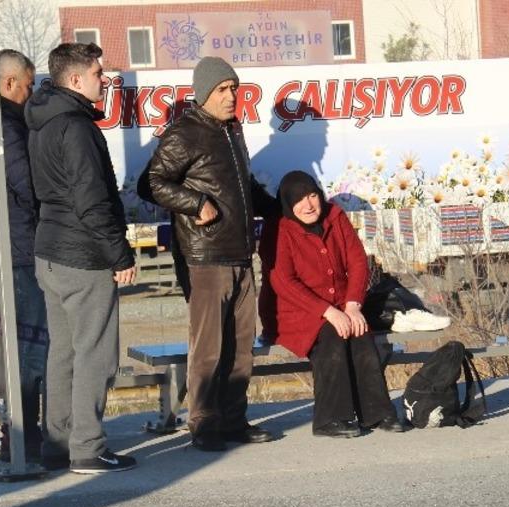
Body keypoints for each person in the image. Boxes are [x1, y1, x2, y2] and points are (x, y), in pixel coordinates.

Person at [143, 56, 277, 452]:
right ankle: (203, 423)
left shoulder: (232, 131)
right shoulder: (185, 132)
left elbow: (245, 188)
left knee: (241, 345)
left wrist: (281, 209)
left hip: (239, 253)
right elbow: (151, 183)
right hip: (204, 256)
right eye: (223, 89)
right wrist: (196, 202)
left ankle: (234, 420)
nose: (232, 96)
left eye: (234, 88)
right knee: (209, 346)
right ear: (204, 93)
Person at [26, 42, 137, 474]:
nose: (104, 79)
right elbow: (93, 202)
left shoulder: (41, 122)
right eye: (98, 72)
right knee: (96, 353)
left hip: (50, 251)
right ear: (75, 79)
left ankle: (57, 442)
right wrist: (120, 255)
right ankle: (88, 448)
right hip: (83, 254)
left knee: (64, 352)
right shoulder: (76, 127)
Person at [263, 171, 407, 437]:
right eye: (299, 200)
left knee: (361, 334)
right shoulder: (279, 228)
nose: (308, 205)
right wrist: (328, 312)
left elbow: (357, 261)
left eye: (312, 196)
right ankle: (330, 420)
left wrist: (352, 305)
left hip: (341, 305)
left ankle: (378, 414)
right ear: (287, 203)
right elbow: (283, 281)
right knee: (331, 338)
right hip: (295, 312)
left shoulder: (335, 216)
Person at [0, 49, 49, 465]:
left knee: (18, 346)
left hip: (3, 249)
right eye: (29, 85)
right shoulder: (8, 125)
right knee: (32, 347)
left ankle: (17, 435)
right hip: (21, 251)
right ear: (10, 82)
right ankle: (24, 439)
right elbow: (27, 185)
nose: (31, 93)